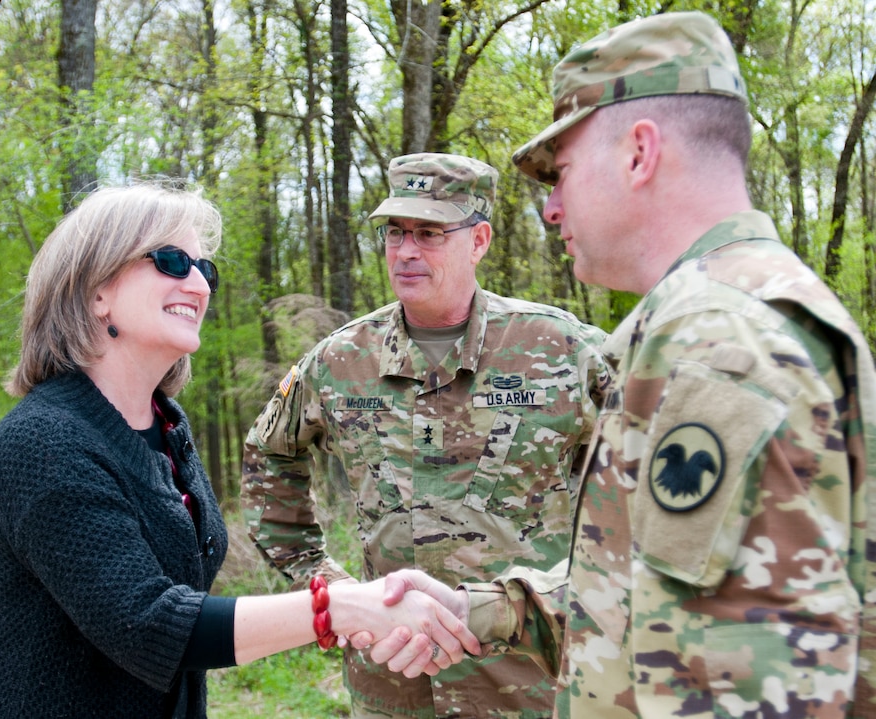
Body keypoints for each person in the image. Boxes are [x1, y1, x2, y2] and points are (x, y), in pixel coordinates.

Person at [374, 11, 876, 717]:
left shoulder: (717, 341)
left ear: (639, 153)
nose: (550, 208)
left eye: (562, 171)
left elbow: (754, 685)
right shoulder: (713, 316)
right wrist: (481, 608)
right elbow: (651, 602)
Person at [0, 182, 479, 719]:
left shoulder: (166, 424)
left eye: (206, 270)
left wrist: (370, 609)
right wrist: (337, 607)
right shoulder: (42, 441)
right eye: (172, 261)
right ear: (96, 289)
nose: (199, 284)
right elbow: (149, 624)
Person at [242, 153, 611, 718]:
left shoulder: (562, 351)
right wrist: (326, 584)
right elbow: (269, 457)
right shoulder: (341, 360)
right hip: (394, 682)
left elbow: (648, 466)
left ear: (479, 239)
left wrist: (590, 584)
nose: (407, 251)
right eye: (396, 232)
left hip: (528, 682)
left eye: (431, 233)